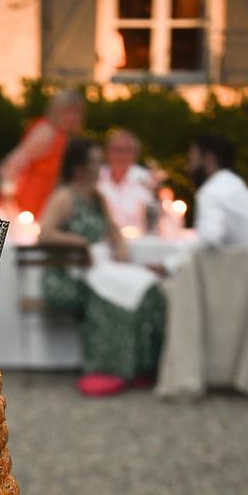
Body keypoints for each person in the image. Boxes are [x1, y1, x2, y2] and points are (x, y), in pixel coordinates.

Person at [39, 138, 165, 397]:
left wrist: (119, 244)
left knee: (147, 288)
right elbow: (46, 233)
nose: (101, 167)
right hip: (69, 272)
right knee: (111, 295)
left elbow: (113, 228)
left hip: (98, 267)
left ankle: (140, 365)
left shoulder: (97, 198)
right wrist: (80, 243)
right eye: (95, 162)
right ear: (79, 168)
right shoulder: (65, 197)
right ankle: (106, 368)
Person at [0, 90, 84, 219]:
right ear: (55, 111)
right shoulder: (46, 131)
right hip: (28, 199)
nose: (73, 117)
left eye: (77, 112)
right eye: (68, 111)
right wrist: (8, 200)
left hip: (47, 198)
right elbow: (12, 164)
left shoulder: (63, 134)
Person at [187, 134, 248, 248]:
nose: (188, 166)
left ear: (209, 158)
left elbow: (208, 239)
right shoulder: (235, 185)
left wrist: (172, 264)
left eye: (192, 158)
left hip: (240, 265)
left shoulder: (212, 191)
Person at [97, 129, 156, 231]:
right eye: (116, 150)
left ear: (135, 154)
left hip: (138, 240)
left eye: (127, 151)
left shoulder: (145, 178)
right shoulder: (96, 177)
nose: (121, 155)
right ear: (106, 152)